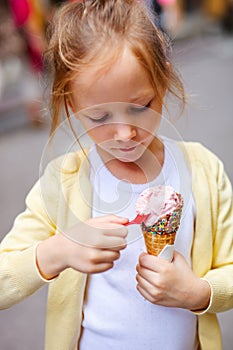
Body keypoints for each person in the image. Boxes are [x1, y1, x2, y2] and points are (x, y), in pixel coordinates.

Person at [0, 1, 233, 349]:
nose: (125, 134)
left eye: (140, 107)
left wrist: (197, 292)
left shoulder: (203, 170)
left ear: (163, 79)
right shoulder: (63, 181)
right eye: (99, 117)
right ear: (71, 104)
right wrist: (56, 252)